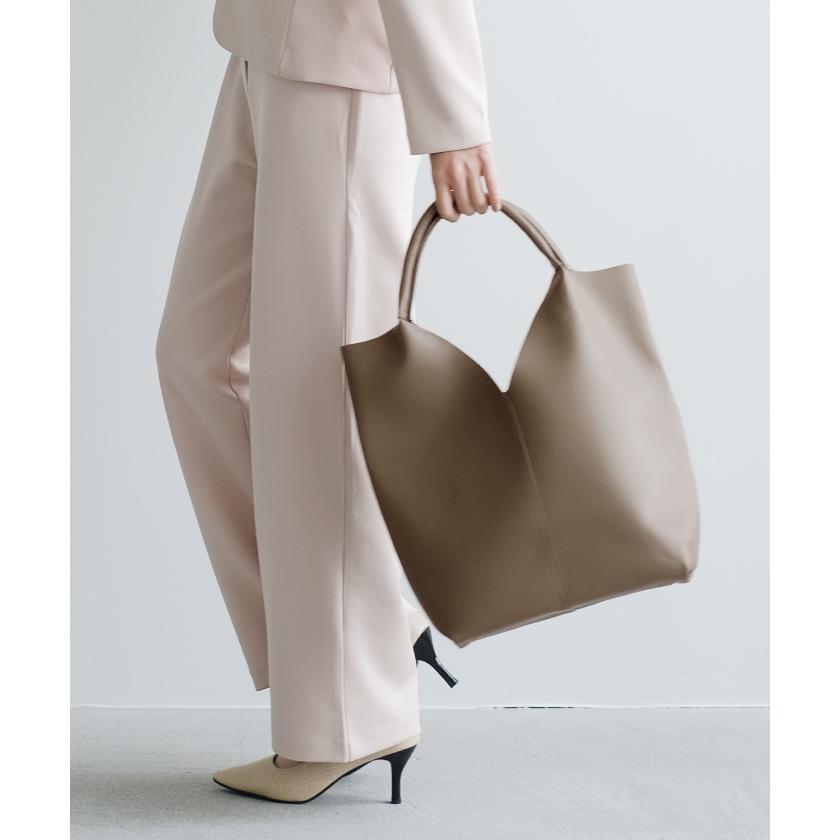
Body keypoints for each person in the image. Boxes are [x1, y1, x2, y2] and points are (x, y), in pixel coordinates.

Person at [155, 0, 501, 805]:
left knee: (318, 397)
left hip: (344, 69)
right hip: (260, 43)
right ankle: (362, 634)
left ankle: (347, 719)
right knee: (195, 357)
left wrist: (453, 116)